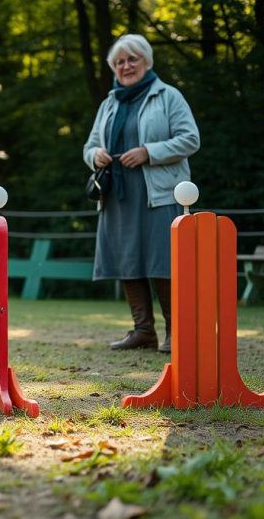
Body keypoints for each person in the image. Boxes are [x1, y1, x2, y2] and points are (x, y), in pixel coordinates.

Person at [82, 34, 200, 352]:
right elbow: (89, 146)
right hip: (118, 194)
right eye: (119, 62)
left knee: (162, 261)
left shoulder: (168, 96)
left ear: (146, 61)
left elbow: (190, 139)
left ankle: (176, 332)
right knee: (127, 261)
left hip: (158, 193)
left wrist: (149, 151)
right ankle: (143, 331)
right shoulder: (110, 102)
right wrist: (96, 156)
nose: (126, 66)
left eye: (132, 59)